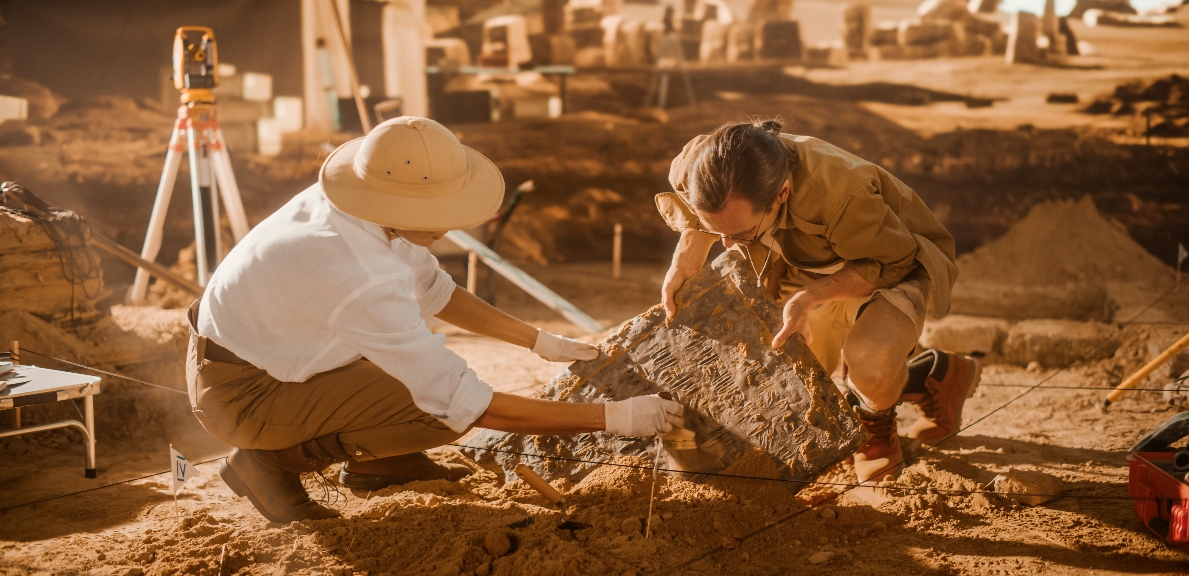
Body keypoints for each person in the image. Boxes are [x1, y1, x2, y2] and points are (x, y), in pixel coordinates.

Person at [186, 117, 682, 523]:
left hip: (255, 354)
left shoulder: (360, 206)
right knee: (437, 411)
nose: (451, 224)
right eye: (442, 209)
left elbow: (434, 290)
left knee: (423, 378)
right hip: (242, 394)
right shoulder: (362, 272)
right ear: (398, 203)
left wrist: (538, 341)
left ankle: (379, 464)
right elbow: (467, 405)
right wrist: (616, 418)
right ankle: (268, 463)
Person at [657, 120, 980, 483]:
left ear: (781, 193)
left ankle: (876, 427)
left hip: (891, 261)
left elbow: (892, 262)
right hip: (809, 261)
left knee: (869, 362)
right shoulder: (702, 164)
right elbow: (694, 208)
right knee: (789, 385)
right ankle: (935, 376)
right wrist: (689, 247)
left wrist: (807, 299)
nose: (729, 245)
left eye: (743, 233)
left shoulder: (841, 193)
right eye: (720, 232)